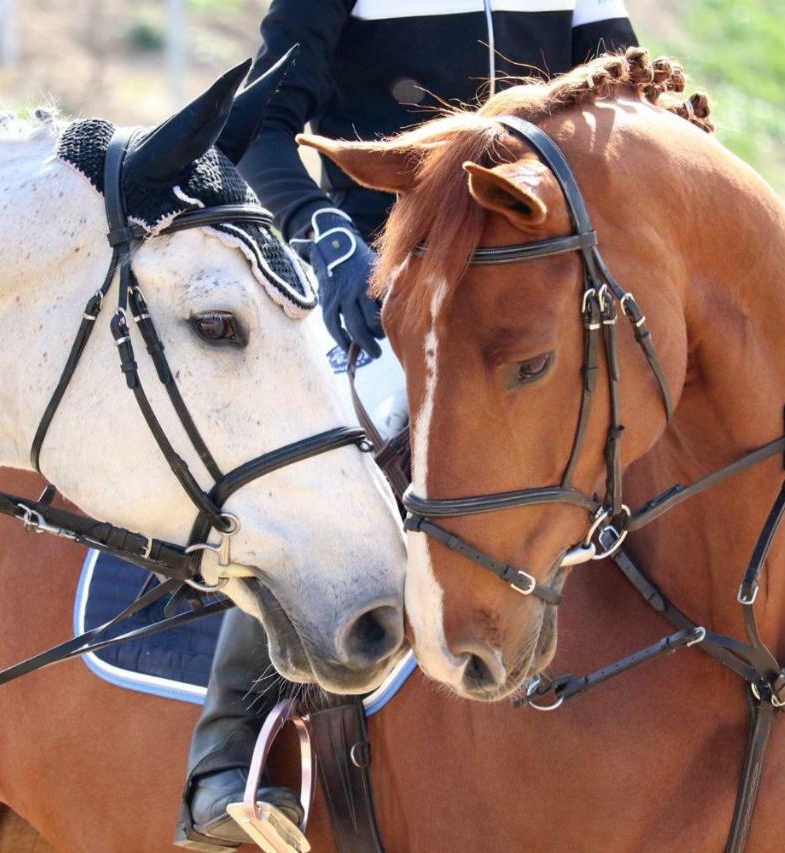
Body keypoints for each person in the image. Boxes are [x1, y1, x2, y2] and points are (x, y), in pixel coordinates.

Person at [177, 2, 639, 848]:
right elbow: (261, 129)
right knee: (365, 421)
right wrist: (324, 235)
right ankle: (234, 749)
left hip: (537, 280)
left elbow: (626, 114)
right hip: (388, 273)